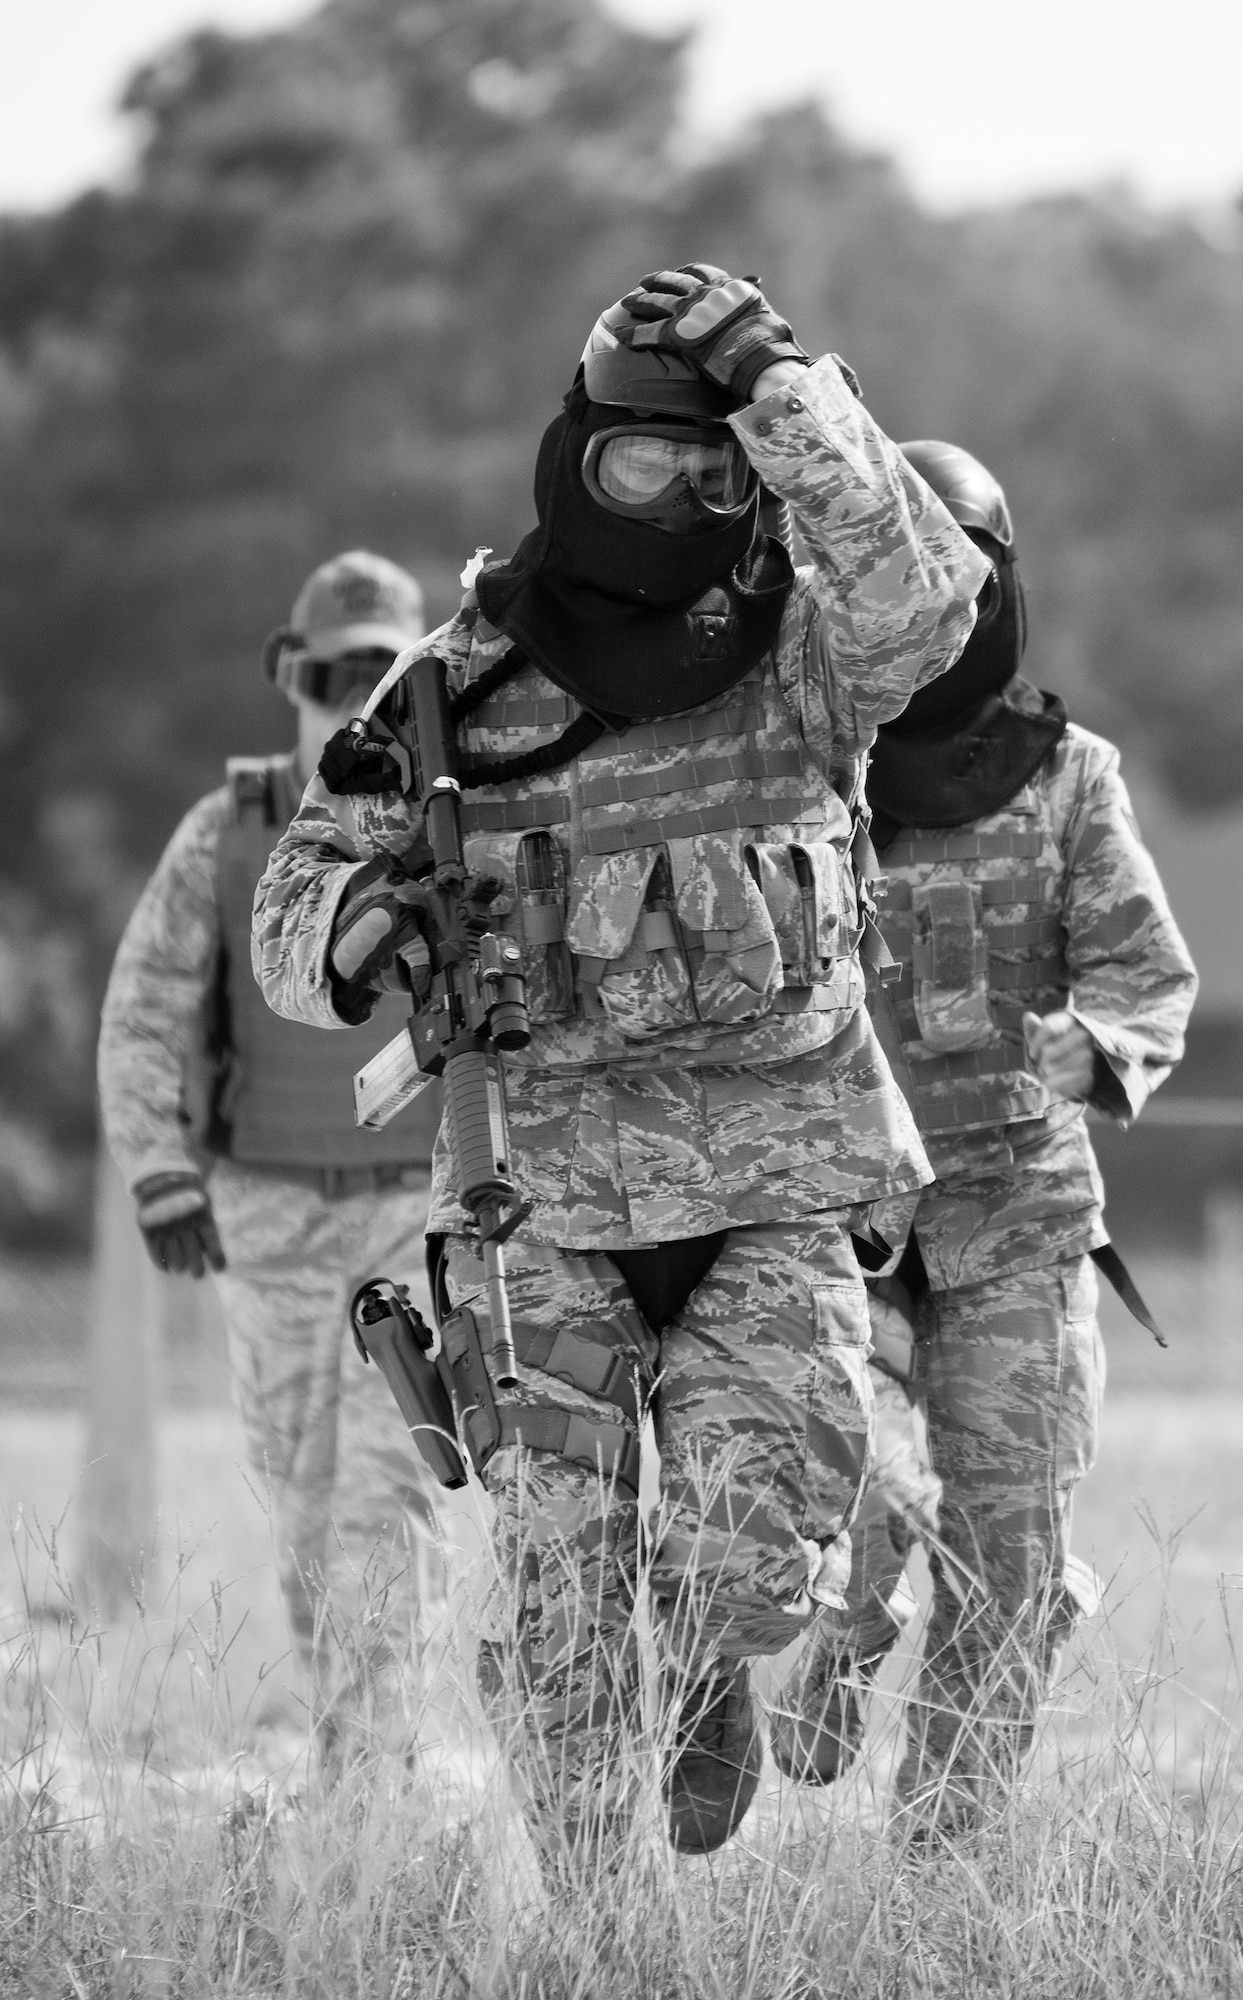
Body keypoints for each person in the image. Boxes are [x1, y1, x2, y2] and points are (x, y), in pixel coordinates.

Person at [251, 266, 992, 1861]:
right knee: (561, 1608)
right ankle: (592, 1924)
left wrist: (785, 387)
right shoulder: (454, 687)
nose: (686, 495)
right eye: (645, 463)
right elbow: (287, 914)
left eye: (717, 465)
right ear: (573, 458)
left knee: (746, 1562)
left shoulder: (807, 651)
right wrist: (367, 923)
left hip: (775, 1192)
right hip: (538, 1210)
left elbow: (935, 601)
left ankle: (716, 1667)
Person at [769, 441, 1199, 1838]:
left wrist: (1105, 1047)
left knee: (1007, 1562)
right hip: (842, 1232)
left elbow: (1147, 974)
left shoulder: (1066, 777)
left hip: (1015, 1225)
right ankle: (829, 1646)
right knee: (847, 1523)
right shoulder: (791, 772)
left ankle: (940, 1868)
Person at [98, 549, 446, 1768]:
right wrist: (158, 1167)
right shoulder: (230, 833)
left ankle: (374, 1774)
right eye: (330, 674)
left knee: (384, 1498)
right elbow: (145, 1005)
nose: (348, 699)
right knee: (304, 1507)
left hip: (420, 1212)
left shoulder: (451, 825)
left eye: (378, 677)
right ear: (291, 678)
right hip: (271, 1221)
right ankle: (357, 1754)